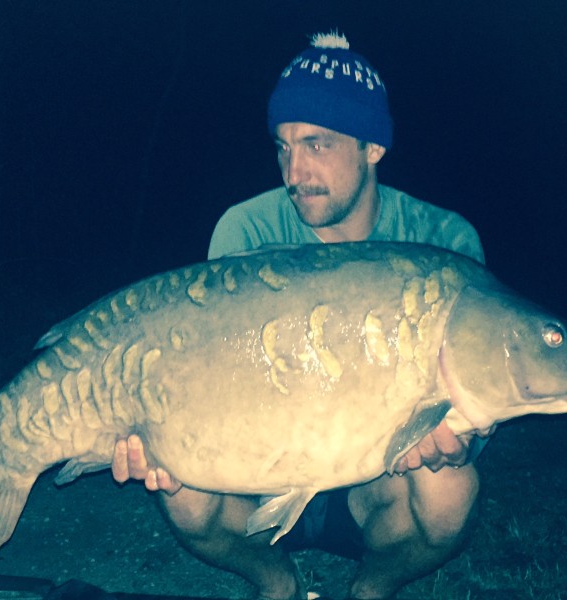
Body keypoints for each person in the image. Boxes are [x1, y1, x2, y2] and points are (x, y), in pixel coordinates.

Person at [113, 32, 486, 600]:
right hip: (258, 478)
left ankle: (371, 588)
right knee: (180, 492)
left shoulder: (444, 243)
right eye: (284, 146)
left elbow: (477, 400)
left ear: (372, 147)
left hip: (377, 484)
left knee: (451, 494)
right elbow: (212, 378)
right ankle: (275, 580)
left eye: (317, 144)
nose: (295, 170)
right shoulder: (247, 230)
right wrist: (160, 431)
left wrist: (462, 441)